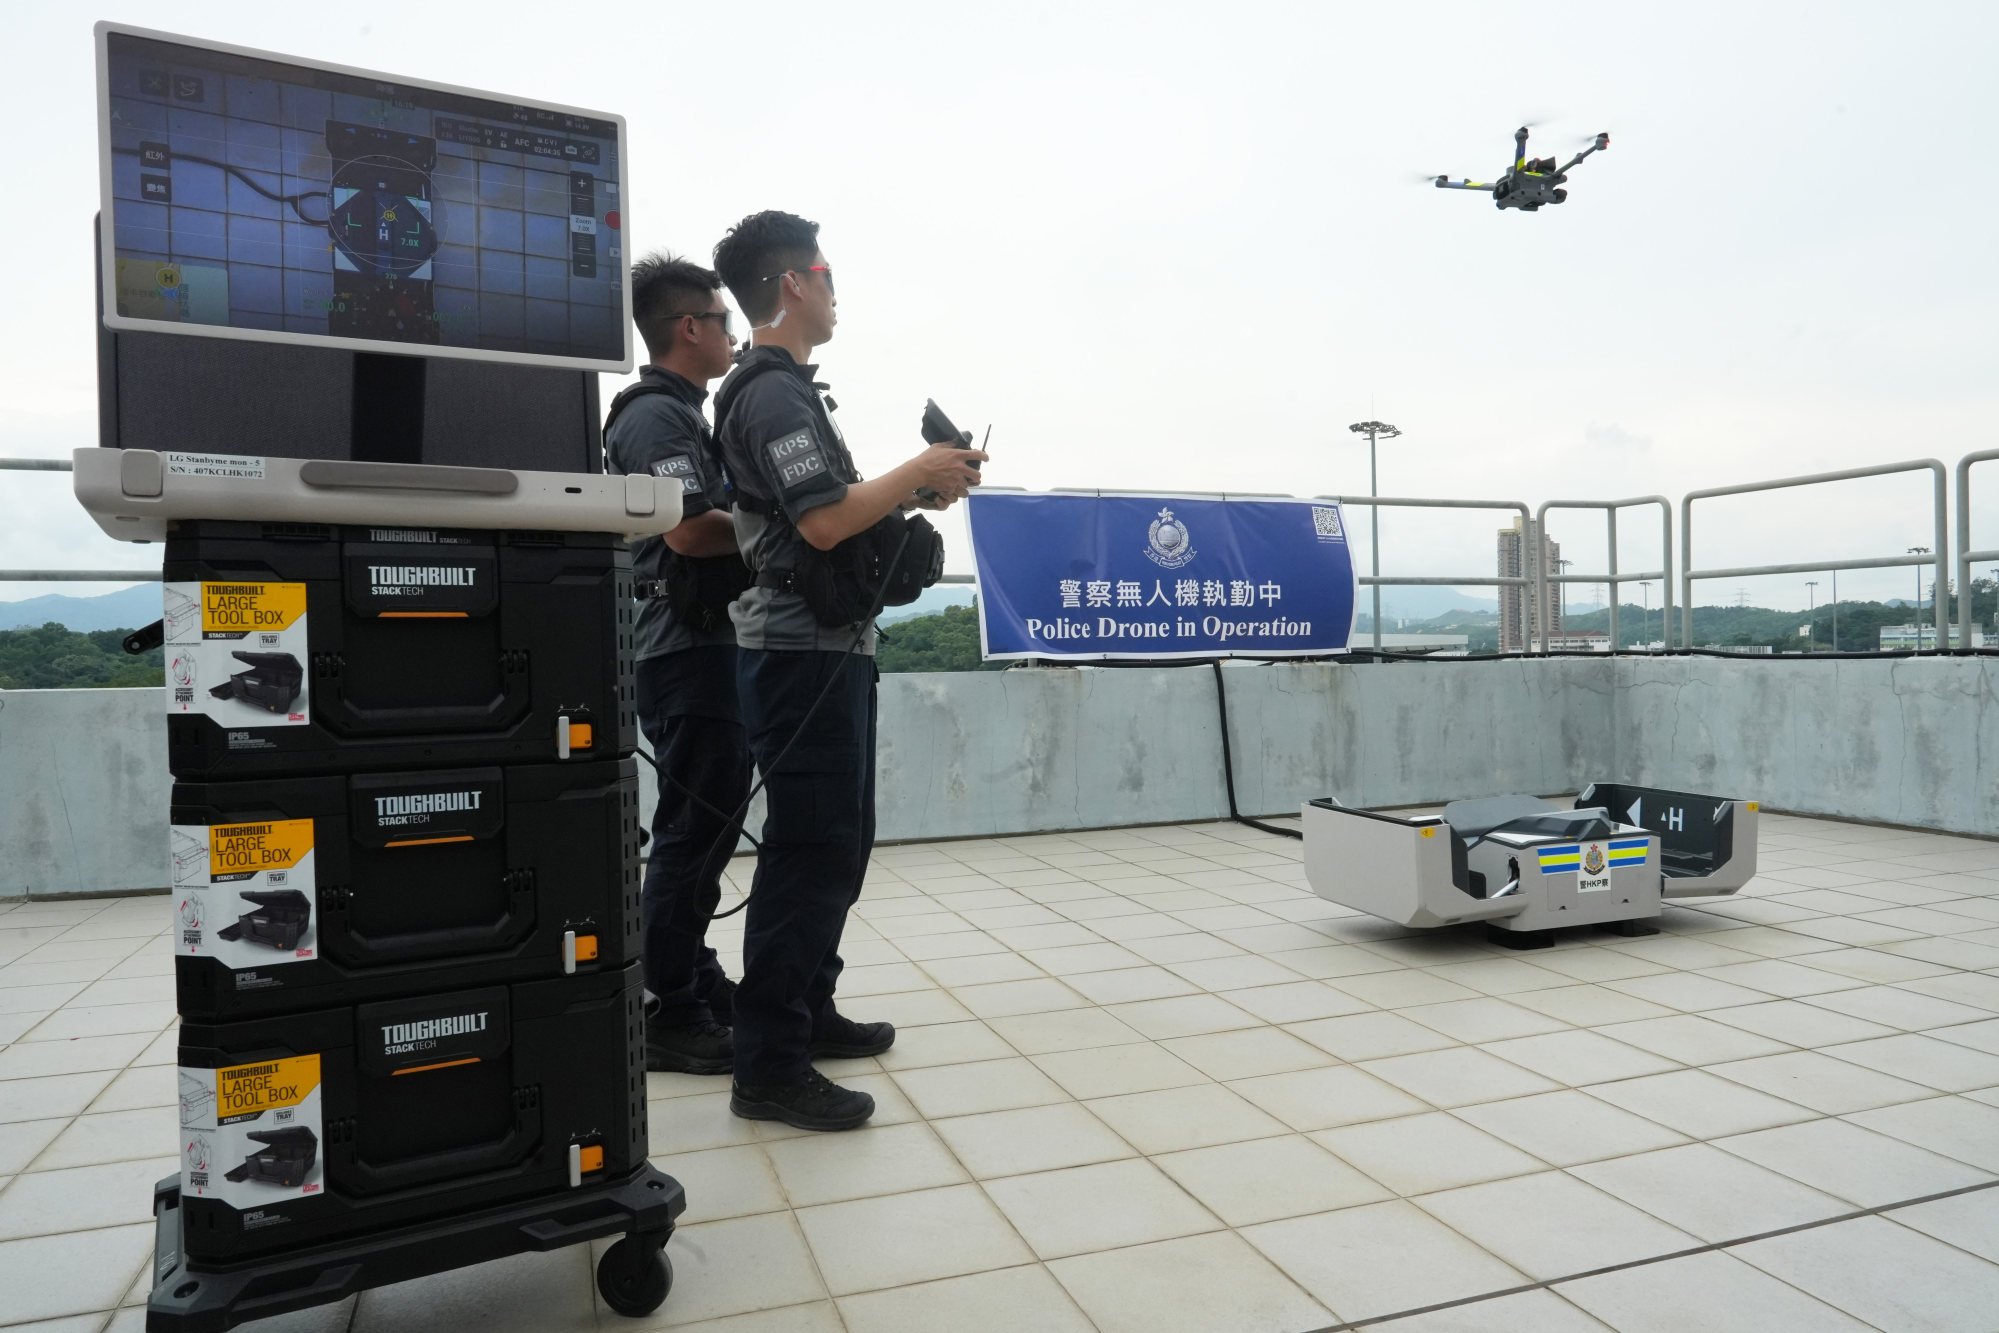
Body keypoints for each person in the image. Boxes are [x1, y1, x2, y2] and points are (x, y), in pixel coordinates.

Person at [710, 211, 985, 1130]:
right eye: (825, 275)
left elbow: (830, 515)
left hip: (824, 650)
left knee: (837, 846)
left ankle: (808, 1009)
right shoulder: (770, 394)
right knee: (807, 853)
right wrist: (918, 468)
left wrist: (918, 486)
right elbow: (824, 522)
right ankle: (770, 1062)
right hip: (797, 655)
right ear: (792, 282)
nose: (834, 292)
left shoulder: (789, 391)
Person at [602, 253, 749, 1075]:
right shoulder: (656, 418)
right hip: (687, 650)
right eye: (723, 319)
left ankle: (691, 973)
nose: (732, 333)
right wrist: (781, 527)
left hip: (703, 645)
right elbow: (690, 531)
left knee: (710, 826)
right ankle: (670, 1006)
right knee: (693, 833)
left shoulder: (684, 415)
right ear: (688, 327)